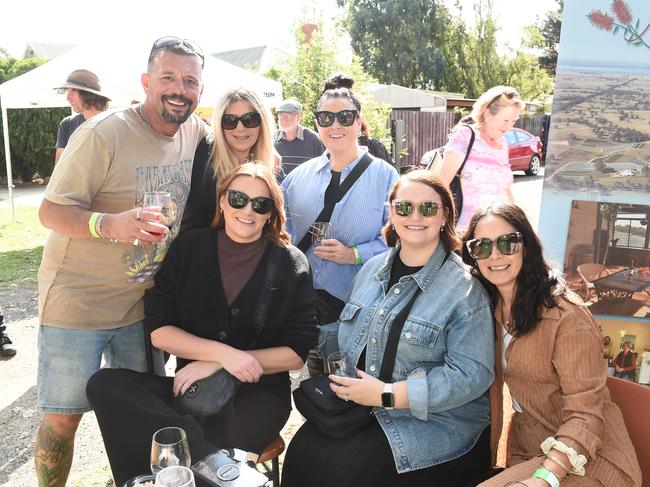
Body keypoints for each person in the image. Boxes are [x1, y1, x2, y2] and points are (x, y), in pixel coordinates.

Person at [36, 36, 208, 486]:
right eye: (168, 77)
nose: (179, 88)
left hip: (140, 307)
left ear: (200, 90)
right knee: (63, 418)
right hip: (78, 304)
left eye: (190, 80)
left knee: (138, 414)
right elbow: (50, 211)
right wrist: (111, 225)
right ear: (146, 81)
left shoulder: (194, 131)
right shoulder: (103, 133)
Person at [86, 163, 317, 486]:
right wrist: (222, 355)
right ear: (222, 201)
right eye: (238, 199)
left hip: (257, 397)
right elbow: (160, 329)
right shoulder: (189, 247)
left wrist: (219, 362)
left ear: (270, 213)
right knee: (105, 384)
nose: (247, 210)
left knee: (195, 440)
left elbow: (296, 352)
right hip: (191, 392)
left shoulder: (290, 261)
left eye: (260, 204)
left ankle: (191, 467)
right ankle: (221, 467)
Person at [282, 170, 495, 487]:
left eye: (428, 208)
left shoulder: (465, 289)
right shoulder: (370, 271)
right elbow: (347, 337)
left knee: (342, 472)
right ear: (392, 213)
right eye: (405, 207)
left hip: (430, 421)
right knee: (301, 452)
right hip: (363, 406)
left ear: (444, 215)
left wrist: (386, 394)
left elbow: (470, 376)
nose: (415, 216)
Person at [461, 203, 641, 487]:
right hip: (530, 449)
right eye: (481, 246)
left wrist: (544, 479)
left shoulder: (567, 317)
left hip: (590, 456)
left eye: (508, 243)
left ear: (527, 246)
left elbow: (585, 413)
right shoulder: (487, 307)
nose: (494, 255)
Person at [281, 79, 398, 375]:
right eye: (326, 118)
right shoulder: (297, 178)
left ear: (359, 122)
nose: (336, 125)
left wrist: (354, 254)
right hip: (305, 311)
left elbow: (402, 239)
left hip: (358, 311)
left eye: (345, 117)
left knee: (356, 393)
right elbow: (279, 233)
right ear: (317, 124)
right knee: (315, 393)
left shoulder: (386, 176)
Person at [181, 87, 277, 232]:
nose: (240, 128)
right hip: (197, 251)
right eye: (230, 121)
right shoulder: (204, 159)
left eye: (250, 119)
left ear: (262, 123)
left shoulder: (266, 167)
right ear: (220, 125)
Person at [437, 86, 524, 231]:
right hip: (465, 233)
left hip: (496, 232)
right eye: (505, 120)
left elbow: (505, 188)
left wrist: (519, 222)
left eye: (513, 122)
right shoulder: (465, 136)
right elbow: (441, 185)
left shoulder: (503, 144)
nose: (509, 127)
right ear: (488, 113)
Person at [323, 73, 395, 167]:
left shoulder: (374, 149)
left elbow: (394, 180)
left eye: (344, 115)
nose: (336, 126)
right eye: (329, 116)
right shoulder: (316, 149)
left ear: (358, 120)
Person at [53, 69, 111, 164]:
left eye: (72, 92)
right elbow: (59, 165)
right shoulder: (67, 124)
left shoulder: (113, 124)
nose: (68, 98)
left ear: (87, 94)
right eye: (67, 92)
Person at [273, 98, 324, 176]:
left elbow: (324, 168)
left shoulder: (314, 139)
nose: (283, 120)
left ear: (299, 117)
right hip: (276, 187)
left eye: (287, 117)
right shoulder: (272, 139)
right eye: (280, 117)